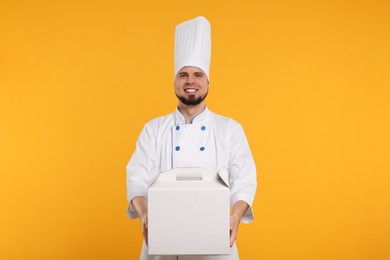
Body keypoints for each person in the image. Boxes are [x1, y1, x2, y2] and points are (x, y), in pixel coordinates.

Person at [126, 16, 257, 260]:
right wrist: (144, 215)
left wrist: (235, 217)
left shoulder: (230, 129)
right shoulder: (153, 129)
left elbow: (245, 182)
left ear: (208, 81)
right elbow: (136, 178)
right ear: (174, 82)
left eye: (198, 74)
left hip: (217, 245)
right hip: (160, 244)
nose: (190, 81)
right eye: (183, 74)